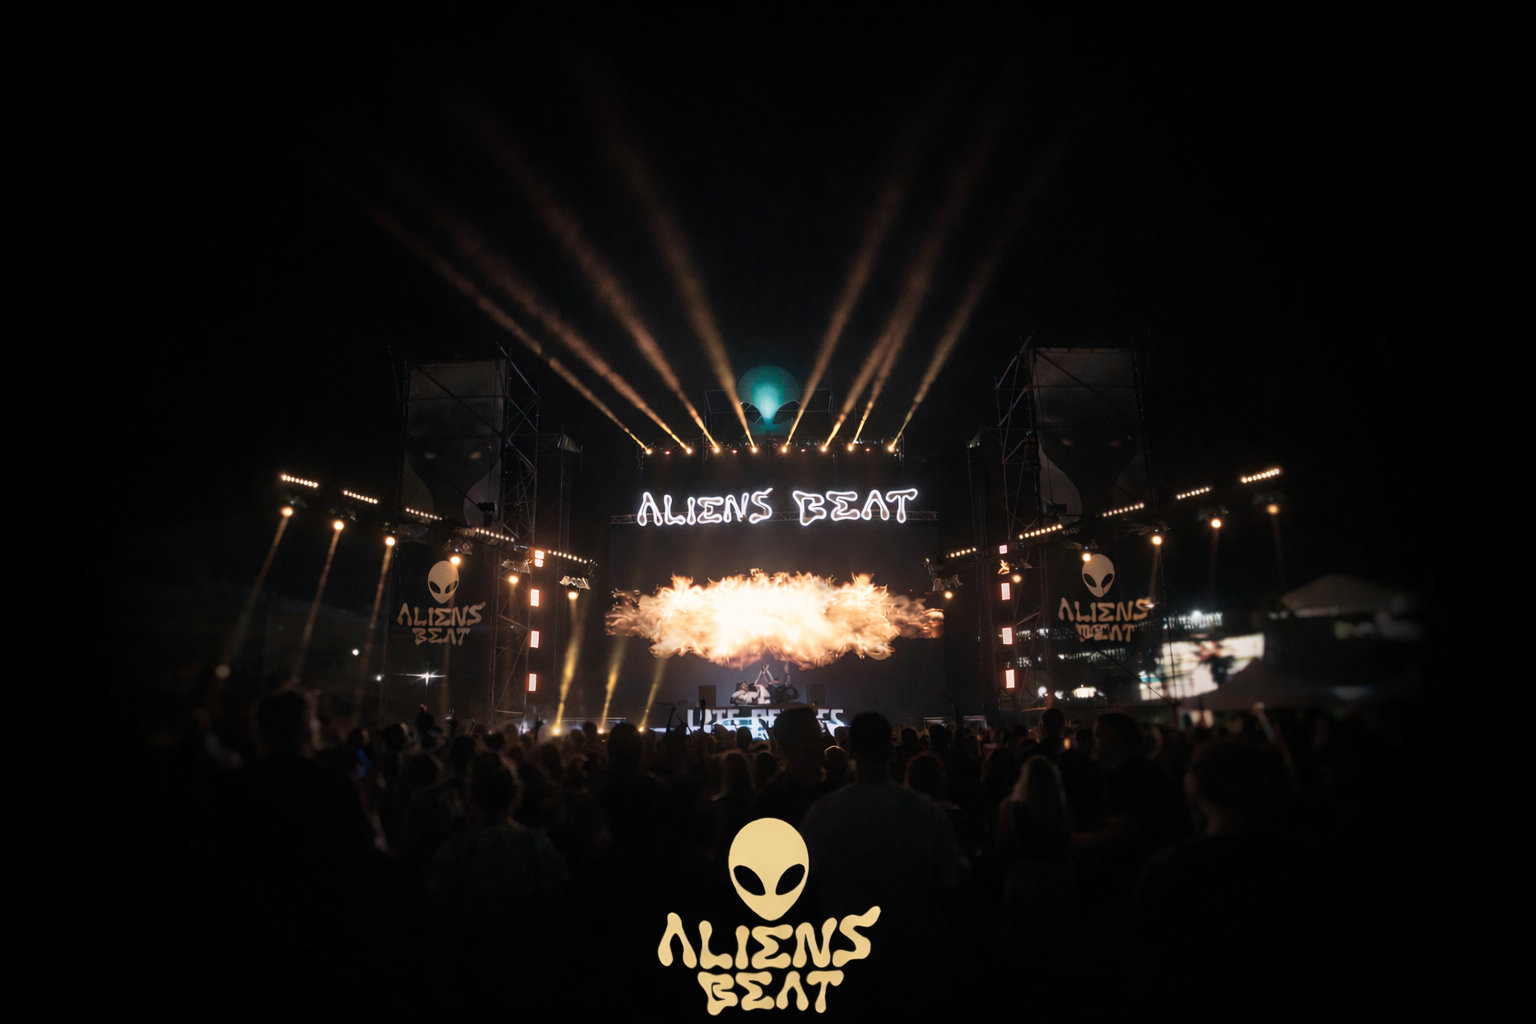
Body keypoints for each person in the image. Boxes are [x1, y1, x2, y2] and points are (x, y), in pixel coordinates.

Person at [799, 712, 966, 1003]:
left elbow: (804, 883)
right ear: (891, 749)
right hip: (911, 954)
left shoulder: (825, 812)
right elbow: (952, 878)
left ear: (852, 751)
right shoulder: (924, 811)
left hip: (845, 953)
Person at [754, 707, 825, 827]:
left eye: (819, 739)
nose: (819, 747)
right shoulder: (770, 803)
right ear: (789, 744)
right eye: (810, 739)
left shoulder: (768, 800)